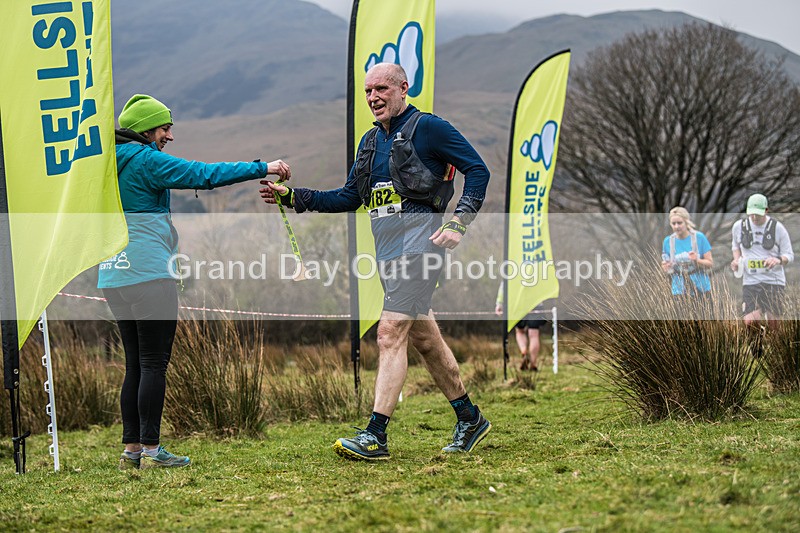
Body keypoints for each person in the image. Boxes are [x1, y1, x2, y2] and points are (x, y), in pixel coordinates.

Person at [260, 63, 491, 461]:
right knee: (423, 339)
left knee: (388, 332)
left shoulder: (430, 128)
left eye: (381, 88)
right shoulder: (369, 142)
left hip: (422, 245)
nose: (373, 97)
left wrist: (459, 222)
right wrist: (294, 197)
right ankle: (469, 418)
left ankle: (375, 435)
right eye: (368, 91)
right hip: (387, 250)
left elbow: (478, 171)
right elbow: (348, 197)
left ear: (404, 88)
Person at [100, 94, 290, 470]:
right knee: (155, 363)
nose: (169, 135)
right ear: (145, 130)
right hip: (150, 272)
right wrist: (262, 167)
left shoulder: (103, 164)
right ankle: (153, 452)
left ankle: (132, 451)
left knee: (134, 365)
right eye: (164, 127)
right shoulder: (146, 160)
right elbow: (203, 174)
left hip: (112, 272)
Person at [731, 193, 793, 329]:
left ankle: (775, 349)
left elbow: (789, 255)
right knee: (750, 323)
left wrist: (777, 260)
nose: (754, 217)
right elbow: (735, 246)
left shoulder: (778, 228)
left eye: (758, 214)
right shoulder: (739, 226)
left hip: (774, 281)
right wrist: (736, 261)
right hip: (751, 281)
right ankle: (756, 348)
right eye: (751, 214)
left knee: (774, 324)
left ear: (766, 210)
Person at [660, 207, 713, 299]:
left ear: (686, 222)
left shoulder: (699, 238)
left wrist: (697, 260)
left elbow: (710, 263)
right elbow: (666, 265)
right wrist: (666, 266)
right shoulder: (668, 241)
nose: (677, 226)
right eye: (673, 223)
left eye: (679, 223)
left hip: (701, 288)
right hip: (679, 290)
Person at [494, 284, 547, 372]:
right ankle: (533, 364)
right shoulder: (538, 270)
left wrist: (499, 304)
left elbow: (504, 286)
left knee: (520, 331)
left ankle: (524, 352)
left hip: (518, 304)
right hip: (535, 304)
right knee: (534, 334)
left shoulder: (511, 270)